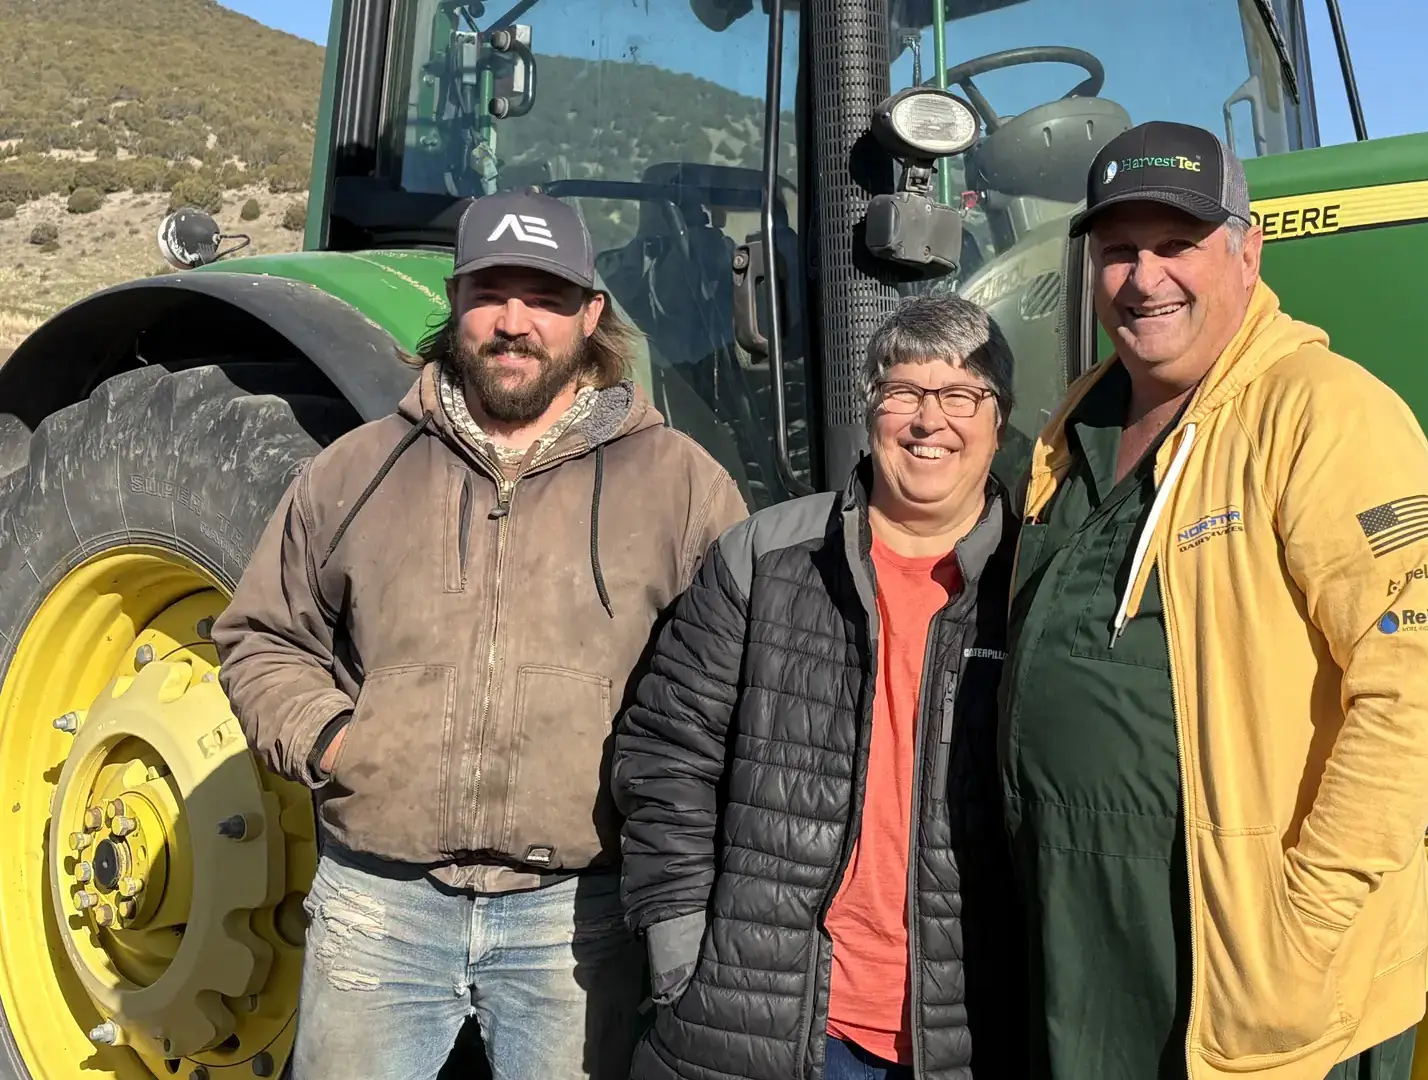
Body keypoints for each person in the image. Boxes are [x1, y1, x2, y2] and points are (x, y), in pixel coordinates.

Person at [212, 189, 749, 1080]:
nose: (512, 321)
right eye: (489, 293)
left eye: (541, 296)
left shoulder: (681, 484)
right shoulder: (355, 468)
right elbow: (264, 636)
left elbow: (730, 676)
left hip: (580, 913)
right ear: (455, 305)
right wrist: (339, 741)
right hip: (380, 906)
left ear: (590, 315)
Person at [997, 121, 1428, 1080]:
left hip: (1251, 972)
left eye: (1176, 246)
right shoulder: (1073, 423)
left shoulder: (1324, 411)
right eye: (1119, 251)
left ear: (1248, 251)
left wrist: (1304, 925)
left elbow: (1418, 695)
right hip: (1087, 956)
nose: (1144, 278)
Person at [610, 292, 1027, 1080]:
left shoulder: (1033, 586)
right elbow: (668, 751)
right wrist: (674, 937)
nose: (928, 421)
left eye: (960, 395)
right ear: (872, 411)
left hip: (966, 1030)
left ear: (997, 419)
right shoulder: (764, 559)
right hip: (764, 1016)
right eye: (903, 391)